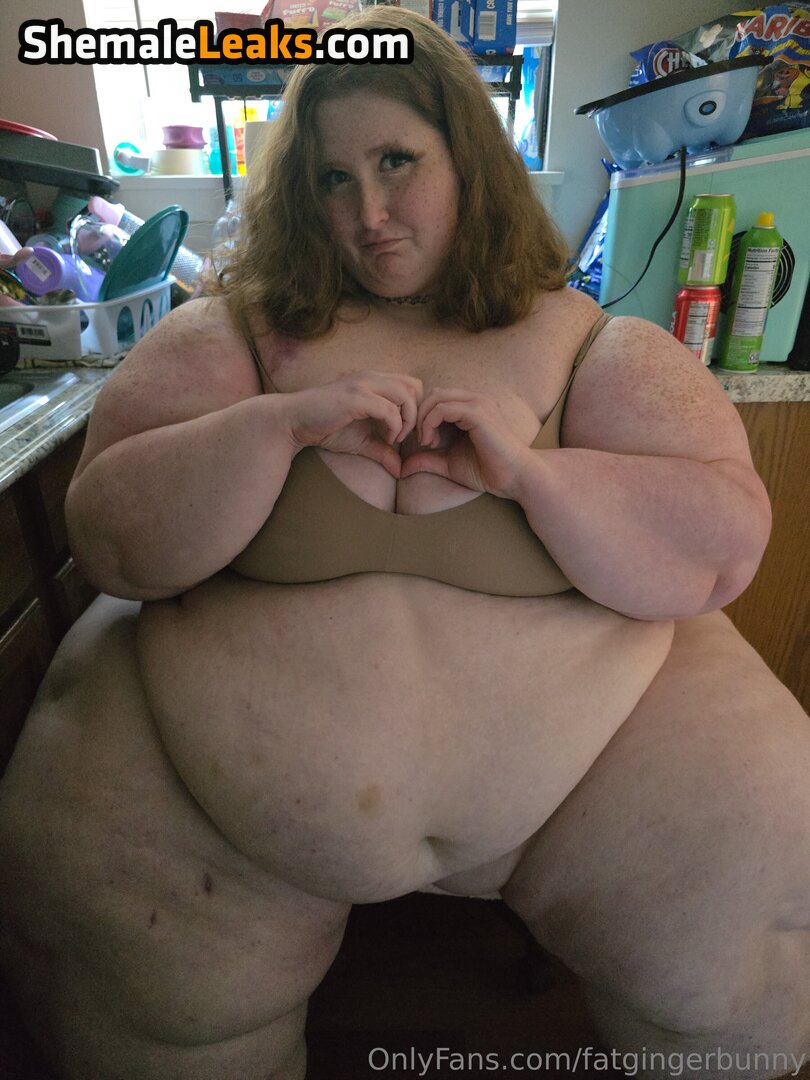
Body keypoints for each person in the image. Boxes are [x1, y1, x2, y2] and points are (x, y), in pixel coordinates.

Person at [0, 8, 808, 1079]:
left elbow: (718, 547)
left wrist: (534, 476)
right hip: (213, 808)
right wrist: (276, 427)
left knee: (725, 992)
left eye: (396, 163)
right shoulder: (230, 332)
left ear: (468, 156)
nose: (368, 214)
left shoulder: (591, 340)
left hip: (600, 778)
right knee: (154, 1022)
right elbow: (111, 535)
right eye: (332, 180)